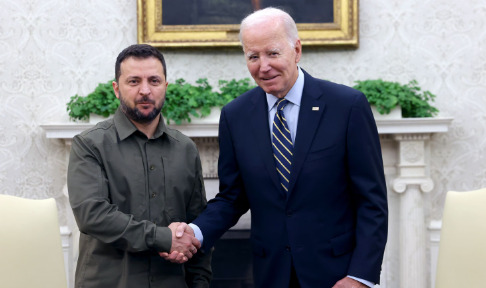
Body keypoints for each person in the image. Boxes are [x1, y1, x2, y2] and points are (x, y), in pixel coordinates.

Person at [166, 7, 388, 288]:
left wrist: (360, 277)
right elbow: (232, 198)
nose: (263, 66)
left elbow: (372, 202)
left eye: (272, 53)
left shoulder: (347, 106)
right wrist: (195, 232)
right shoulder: (236, 115)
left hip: (337, 275)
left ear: (296, 50)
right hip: (272, 274)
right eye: (253, 56)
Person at [67, 44, 212, 288]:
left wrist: (200, 283)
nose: (145, 90)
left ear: (165, 86)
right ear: (116, 88)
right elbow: (93, 216)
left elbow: (197, 225)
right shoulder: (90, 144)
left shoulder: (186, 149)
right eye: (134, 81)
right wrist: (164, 238)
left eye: (154, 81)